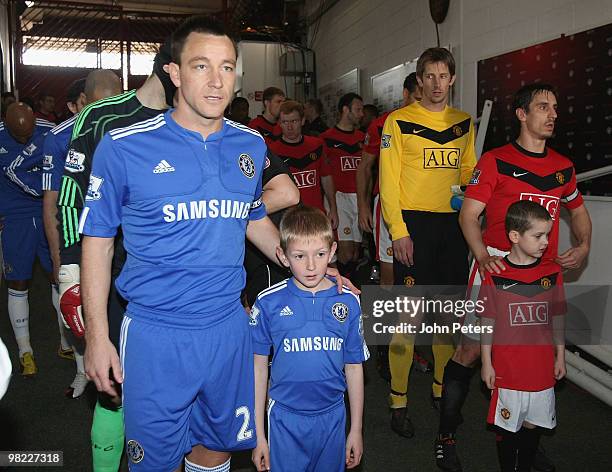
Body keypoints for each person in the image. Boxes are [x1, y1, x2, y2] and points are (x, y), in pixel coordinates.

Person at [79, 16, 313, 472]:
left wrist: (303, 262)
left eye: (227, 68)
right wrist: (97, 337)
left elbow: (251, 216)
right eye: (201, 66)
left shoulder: (249, 145)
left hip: (228, 328)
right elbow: (98, 241)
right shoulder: (125, 146)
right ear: (174, 72)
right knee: (156, 461)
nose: (216, 81)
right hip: (156, 335)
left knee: (217, 448)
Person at [435, 83, 592, 472]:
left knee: (528, 358)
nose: (552, 113)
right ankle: (445, 434)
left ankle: (524, 437)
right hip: (497, 269)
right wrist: (483, 255)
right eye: (543, 106)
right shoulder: (495, 161)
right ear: (522, 114)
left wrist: (584, 245)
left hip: (540, 275)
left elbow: (579, 213)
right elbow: (468, 215)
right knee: (472, 352)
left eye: (555, 107)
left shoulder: (563, 167)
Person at [55, 45, 173, 471]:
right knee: (113, 388)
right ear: (172, 69)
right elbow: (70, 199)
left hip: (169, 282)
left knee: (167, 391)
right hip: (110, 274)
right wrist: (70, 271)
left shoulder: (193, 120)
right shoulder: (101, 117)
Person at [379, 47, 476, 438]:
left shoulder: (463, 122)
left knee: (445, 317)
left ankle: (439, 390)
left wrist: (467, 190)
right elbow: (388, 181)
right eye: (429, 77)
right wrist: (398, 230)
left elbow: (469, 167)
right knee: (408, 318)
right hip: (413, 227)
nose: (437, 84)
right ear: (420, 80)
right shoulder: (397, 122)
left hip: (453, 229)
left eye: (443, 76)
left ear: (452, 79)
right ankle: (398, 402)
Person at [250, 206, 368, 472]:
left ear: (333, 250)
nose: (312, 266)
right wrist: (259, 436)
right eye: (300, 256)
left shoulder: (348, 301)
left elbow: (354, 366)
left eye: (320, 254)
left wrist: (356, 429)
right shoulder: (269, 302)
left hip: (334, 416)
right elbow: (258, 369)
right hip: (284, 418)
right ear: (282, 255)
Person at [41, 71, 121, 399]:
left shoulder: (139, 129)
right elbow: (54, 205)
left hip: (129, 252)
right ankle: (81, 370)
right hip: (87, 246)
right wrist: (65, 265)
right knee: (83, 316)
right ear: (85, 103)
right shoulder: (60, 138)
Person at [479, 200, 566, 472]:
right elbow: (487, 322)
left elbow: (558, 316)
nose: (545, 242)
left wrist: (560, 354)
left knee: (532, 427)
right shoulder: (495, 274)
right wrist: (486, 362)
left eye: (548, 235)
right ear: (515, 236)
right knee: (509, 428)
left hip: (541, 369)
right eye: (538, 235)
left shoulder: (552, 272)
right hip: (508, 371)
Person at [356, 72, 422, 380]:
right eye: (419, 94)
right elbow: (365, 166)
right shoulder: (383, 123)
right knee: (389, 275)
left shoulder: (437, 122)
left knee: (419, 277)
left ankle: (412, 341)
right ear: (407, 94)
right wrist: (362, 205)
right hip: (389, 207)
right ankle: (382, 345)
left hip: (424, 211)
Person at [0, 102, 54, 376]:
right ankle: (25, 350)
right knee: (18, 280)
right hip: (14, 217)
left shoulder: (49, 131)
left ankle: (67, 342)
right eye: (17, 135)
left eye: (28, 133)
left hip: (47, 212)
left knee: (60, 274)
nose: (24, 139)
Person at [269, 100, 338, 223]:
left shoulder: (317, 145)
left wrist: (333, 208)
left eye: (294, 121)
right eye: (285, 122)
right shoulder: (271, 151)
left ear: (302, 121)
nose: (289, 127)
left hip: (315, 214)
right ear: (279, 123)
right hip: (287, 219)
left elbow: (326, 177)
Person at [320, 92, 364, 275]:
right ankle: (344, 294)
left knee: (355, 253)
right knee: (345, 254)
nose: (362, 114)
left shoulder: (363, 138)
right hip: (339, 197)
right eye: (358, 109)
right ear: (345, 110)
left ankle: (351, 293)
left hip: (359, 199)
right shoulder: (326, 138)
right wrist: (331, 205)